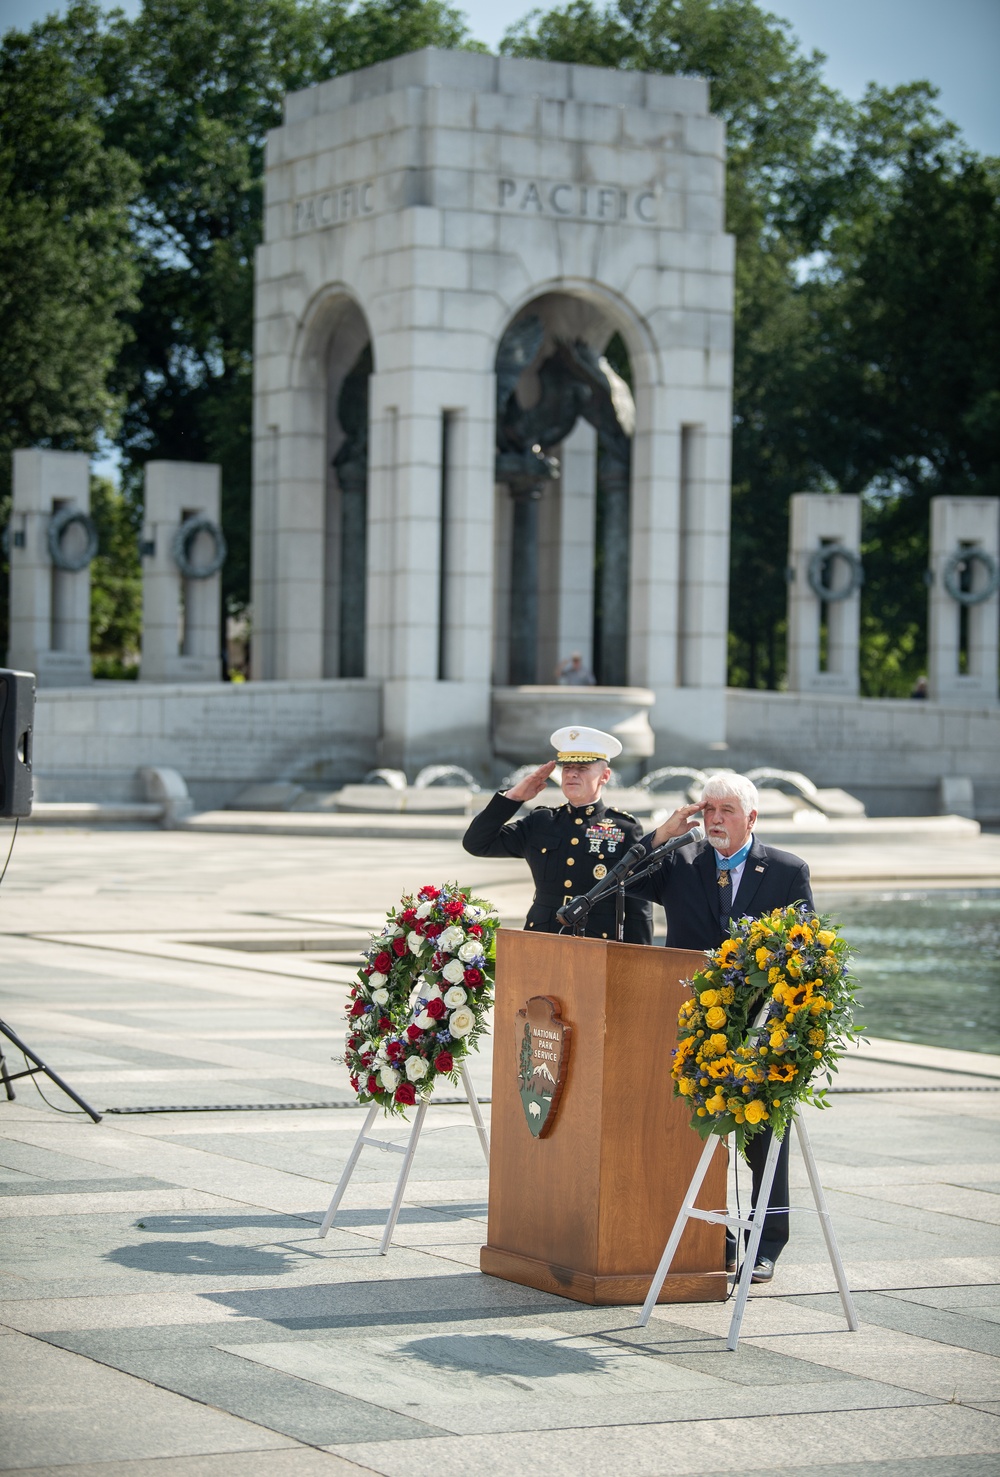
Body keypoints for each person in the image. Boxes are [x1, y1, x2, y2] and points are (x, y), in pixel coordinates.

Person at [627, 770, 815, 1283]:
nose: (713, 819)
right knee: (691, 1133)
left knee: (760, 1134)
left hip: (759, 1030)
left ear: (751, 818)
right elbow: (621, 882)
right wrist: (662, 835)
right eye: (707, 809)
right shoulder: (680, 863)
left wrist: (782, 1031)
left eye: (725, 811)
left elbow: (803, 954)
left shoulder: (786, 870)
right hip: (691, 1023)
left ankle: (766, 1241)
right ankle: (719, 1237)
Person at [462, 726, 653, 944]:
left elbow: (639, 908)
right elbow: (476, 843)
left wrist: (637, 964)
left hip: (596, 942)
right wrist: (513, 798)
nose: (572, 773)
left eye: (582, 768)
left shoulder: (624, 828)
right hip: (542, 938)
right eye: (567, 767)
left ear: (605, 776)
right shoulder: (542, 821)